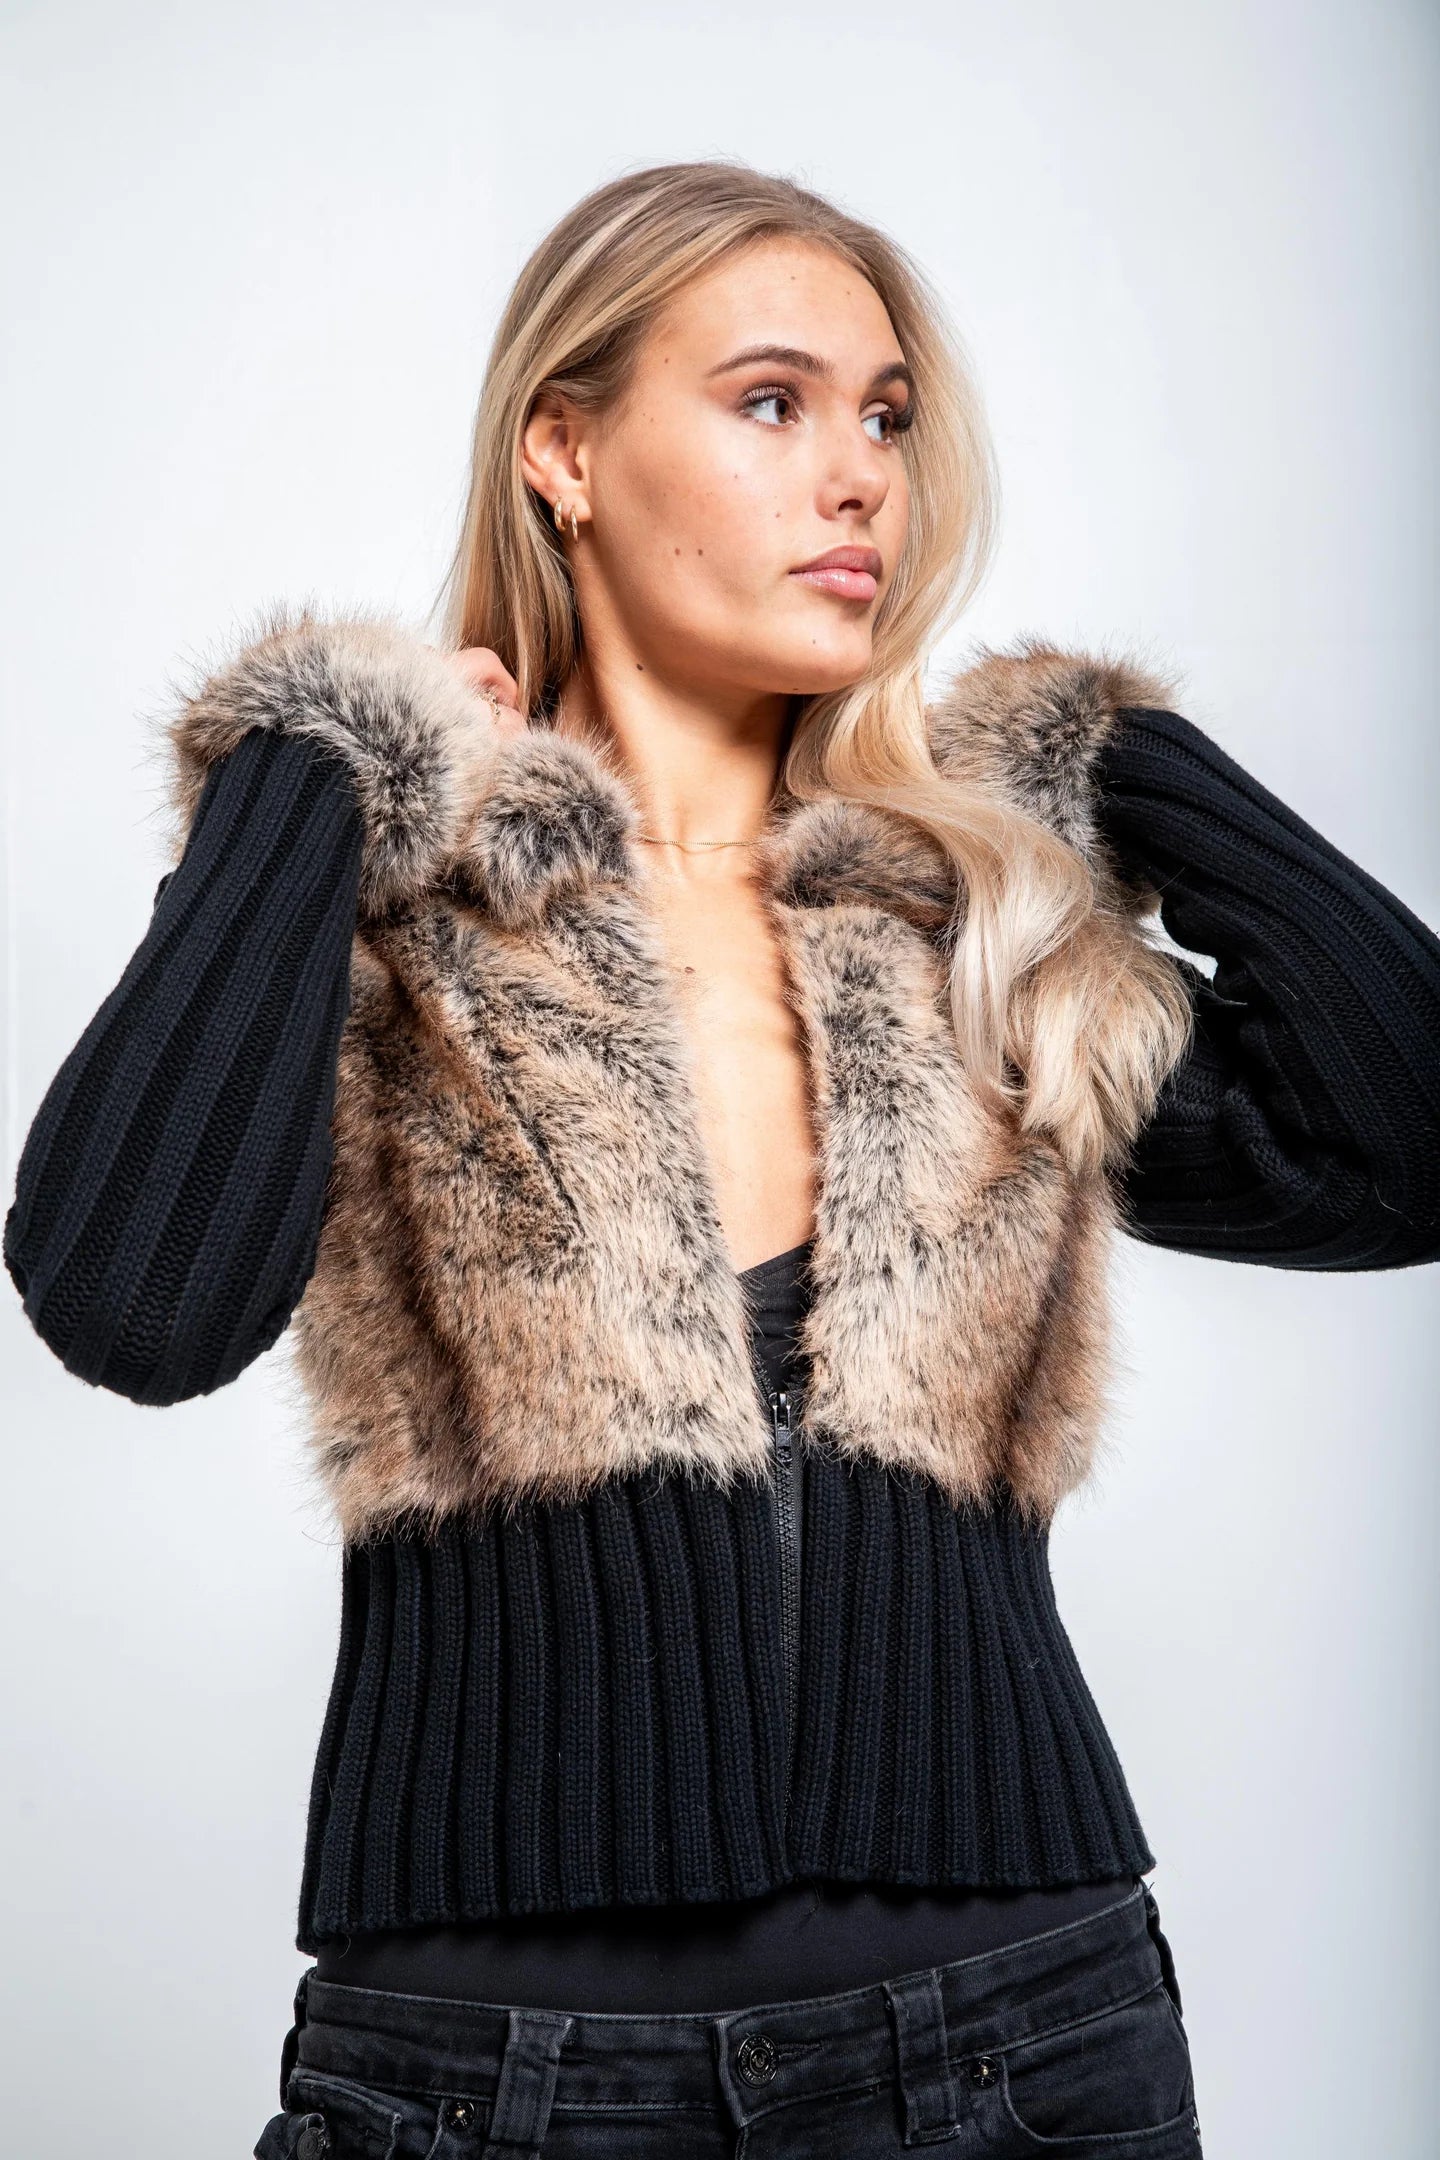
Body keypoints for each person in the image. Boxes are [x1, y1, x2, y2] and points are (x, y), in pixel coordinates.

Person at [7, 160, 1438, 2158]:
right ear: (564, 452)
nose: (859, 479)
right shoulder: (396, 915)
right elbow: (133, 1303)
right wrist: (315, 774)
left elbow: (1402, 1141)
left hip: (1020, 2049)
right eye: (773, 402)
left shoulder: (965, 935)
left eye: (888, 420)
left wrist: (1105, 756)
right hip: (488, 2085)